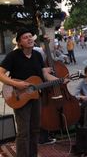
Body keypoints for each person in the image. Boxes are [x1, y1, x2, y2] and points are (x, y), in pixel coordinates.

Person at [0, 28, 60, 157]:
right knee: (23, 132)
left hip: (35, 96)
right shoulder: (13, 56)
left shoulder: (37, 55)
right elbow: (0, 74)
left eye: (30, 36)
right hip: (19, 96)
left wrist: (60, 80)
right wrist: (17, 84)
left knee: (35, 130)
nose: (29, 38)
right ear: (20, 43)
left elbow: (44, 74)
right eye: (25, 37)